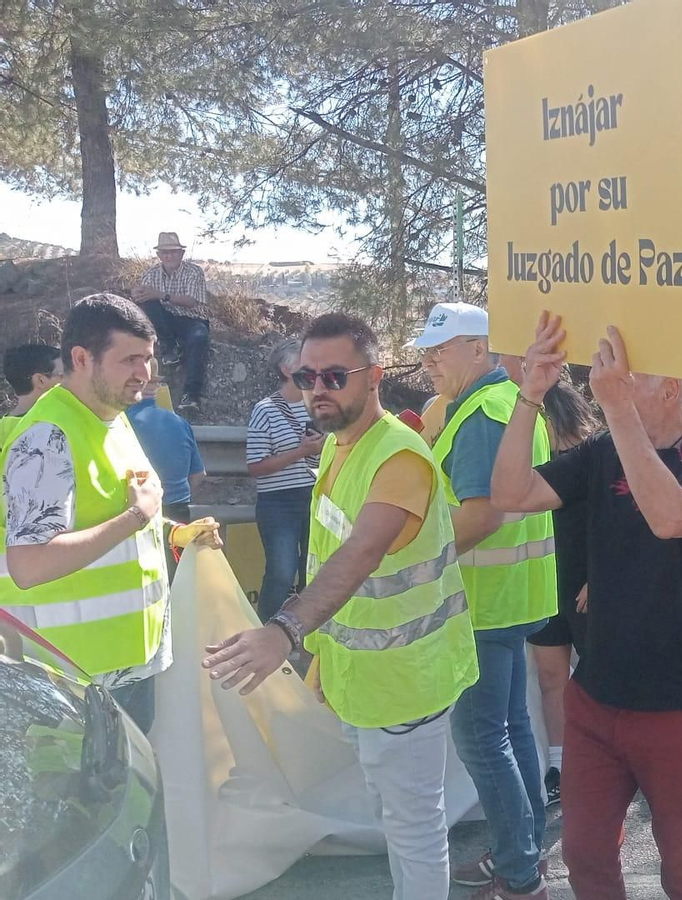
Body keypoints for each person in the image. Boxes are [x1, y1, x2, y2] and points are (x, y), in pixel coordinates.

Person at [203, 312, 479, 900]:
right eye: (307, 377)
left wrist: (284, 631)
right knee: (397, 818)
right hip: (363, 676)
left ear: (374, 376)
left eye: (335, 376)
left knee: (414, 828)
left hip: (408, 683)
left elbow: (358, 553)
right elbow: (331, 559)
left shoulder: (397, 457)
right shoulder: (337, 445)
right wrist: (324, 660)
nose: (318, 391)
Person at [491, 312, 682, 899]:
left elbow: (672, 517)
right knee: (583, 854)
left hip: (680, 705)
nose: (613, 377)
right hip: (596, 698)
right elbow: (509, 493)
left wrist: (618, 410)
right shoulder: (603, 451)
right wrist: (529, 394)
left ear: (672, 389)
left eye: (632, 374)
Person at [0, 295, 216, 734]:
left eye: (150, 358)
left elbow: (117, 513)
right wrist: (136, 518)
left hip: (126, 667)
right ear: (81, 358)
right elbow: (29, 562)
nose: (145, 373)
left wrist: (172, 533)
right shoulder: (47, 437)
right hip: (70, 682)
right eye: (129, 359)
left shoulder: (112, 419)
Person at [409, 302, 557, 899]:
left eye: (439, 349)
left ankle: (521, 872)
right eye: (427, 350)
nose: (429, 360)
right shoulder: (499, 404)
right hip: (509, 597)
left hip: (484, 602)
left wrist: (417, 562)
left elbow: (483, 514)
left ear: (479, 349)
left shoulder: (481, 414)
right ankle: (521, 855)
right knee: (511, 727)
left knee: (481, 737)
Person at [525, 376, 602, 808]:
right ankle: (560, 765)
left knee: (594, 674)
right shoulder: (533, 468)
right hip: (544, 582)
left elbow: (613, 525)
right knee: (552, 677)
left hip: (587, 583)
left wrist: (600, 576)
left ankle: (600, 759)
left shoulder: (591, 459)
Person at [246, 339, 324, 622]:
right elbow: (255, 466)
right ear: (285, 369)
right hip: (278, 503)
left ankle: (306, 635)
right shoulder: (265, 410)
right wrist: (301, 451)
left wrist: (322, 446)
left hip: (315, 496)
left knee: (312, 570)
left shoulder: (317, 405)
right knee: (281, 571)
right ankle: (265, 631)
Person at [131, 232, 210, 411]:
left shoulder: (194, 271)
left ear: (181, 254)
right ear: (159, 255)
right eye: (165, 252)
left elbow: (191, 301)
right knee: (147, 301)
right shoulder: (151, 274)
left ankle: (191, 395)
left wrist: (160, 295)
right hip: (164, 321)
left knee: (199, 339)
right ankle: (168, 347)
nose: (169, 256)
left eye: (173, 252)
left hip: (192, 319)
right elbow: (143, 296)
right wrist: (138, 294)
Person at [126, 372, 206, 524]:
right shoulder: (180, 422)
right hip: (178, 511)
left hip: (138, 514)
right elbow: (198, 475)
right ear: (156, 387)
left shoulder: (122, 423)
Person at [2, 344, 62, 444]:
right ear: (40, 380)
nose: (69, 380)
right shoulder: (53, 431)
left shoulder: (3, 429)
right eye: (62, 375)